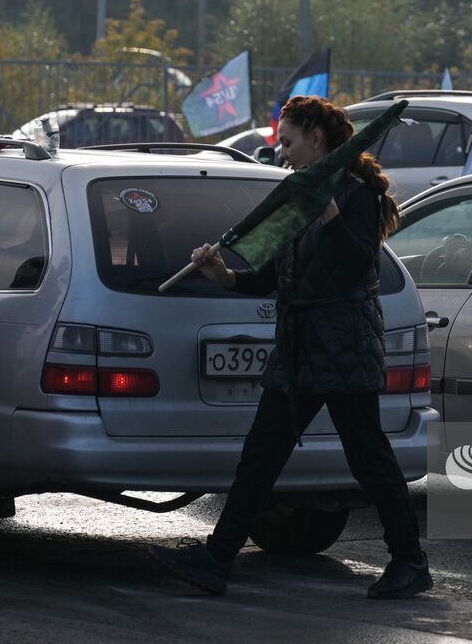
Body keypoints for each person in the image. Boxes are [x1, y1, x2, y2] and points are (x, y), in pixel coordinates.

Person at [149, 95, 431, 600]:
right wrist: (226, 277)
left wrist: (328, 213)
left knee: (369, 458)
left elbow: (354, 262)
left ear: (316, 139)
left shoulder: (356, 194)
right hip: (299, 345)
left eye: (289, 142)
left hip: (344, 342)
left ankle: (410, 562)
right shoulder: (299, 193)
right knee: (261, 456)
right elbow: (276, 278)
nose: (283, 153)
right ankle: (216, 558)